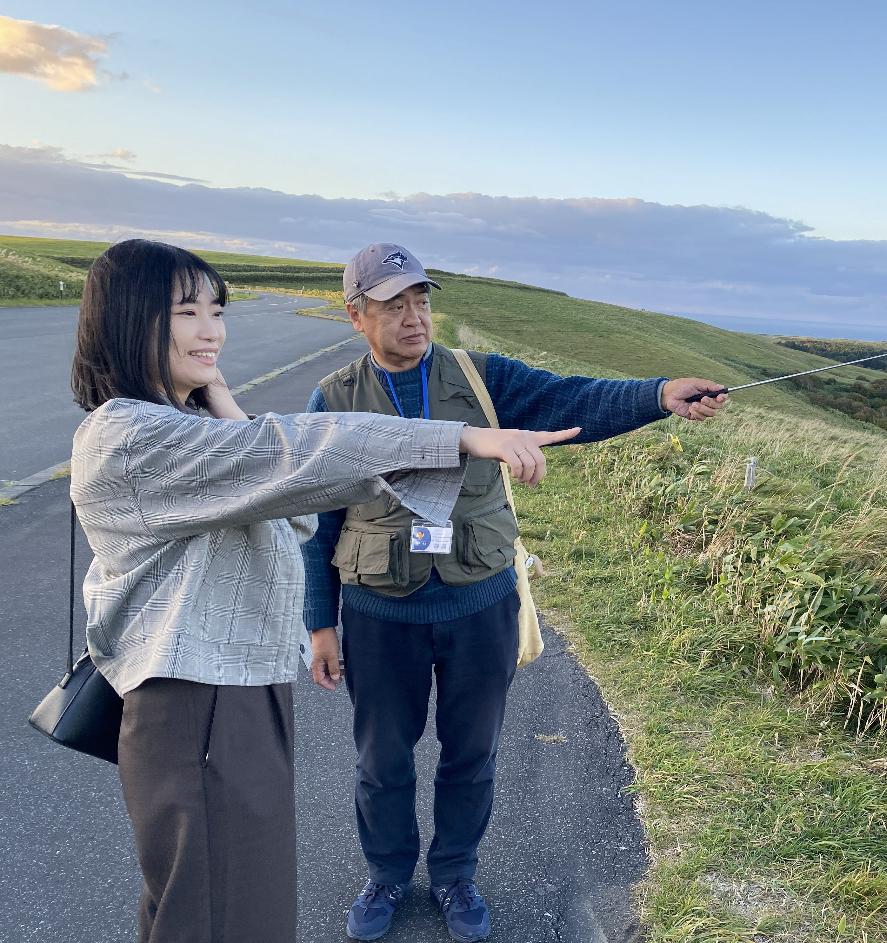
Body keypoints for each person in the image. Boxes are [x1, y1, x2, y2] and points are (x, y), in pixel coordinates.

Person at [69, 239, 578, 943]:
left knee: (227, 904)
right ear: (129, 319)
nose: (212, 330)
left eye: (218, 310)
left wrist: (221, 401)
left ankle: (453, 871)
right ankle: (390, 873)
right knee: (219, 911)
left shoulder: (187, 426)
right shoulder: (131, 437)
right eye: (187, 311)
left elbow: (293, 509)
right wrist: (460, 439)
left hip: (237, 690)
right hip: (196, 703)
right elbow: (299, 454)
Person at [302, 243, 726, 942]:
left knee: (472, 754)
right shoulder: (335, 398)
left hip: (480, 604)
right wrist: (321, 623)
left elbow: (572, 399)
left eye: (421, 301)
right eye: (393, 306)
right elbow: (317, 521)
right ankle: (387, 874)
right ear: (356, 316)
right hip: (379, 613)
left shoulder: (481, 376)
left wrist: (657, 395)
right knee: (382, 760)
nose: (414, 318)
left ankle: (454, 874)